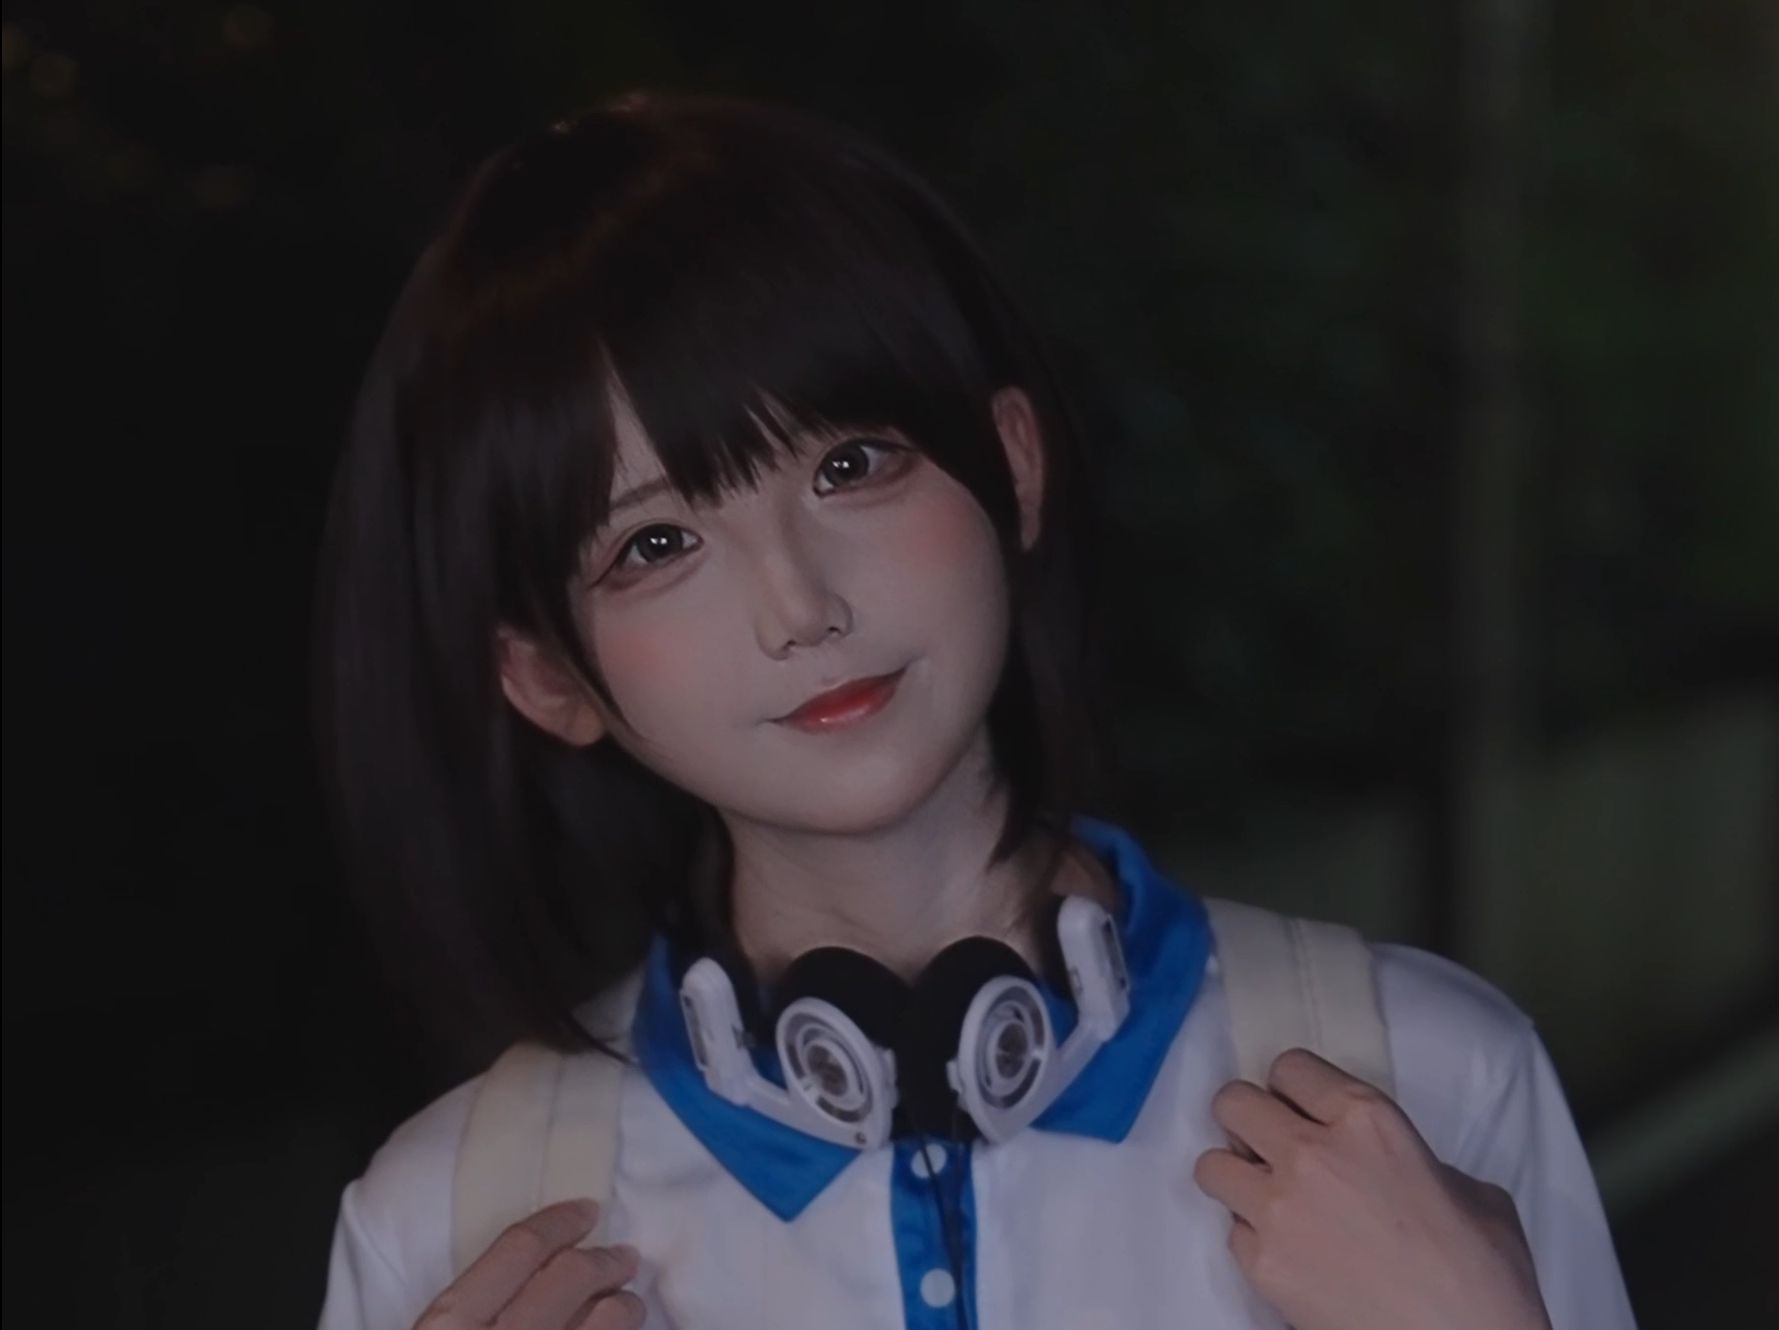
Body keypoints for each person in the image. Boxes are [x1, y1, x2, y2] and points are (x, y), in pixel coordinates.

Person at [312, 91, 1636, 1330]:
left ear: (1011, 465)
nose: (798, 607)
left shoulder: (1425, 1076)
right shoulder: (450, 1222)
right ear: (546, 677)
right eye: (654, 546)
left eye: (850, 463)